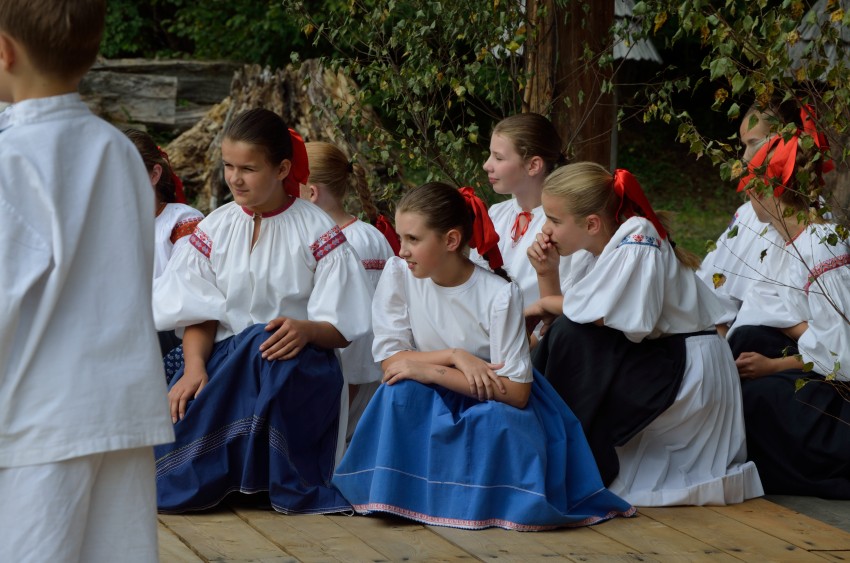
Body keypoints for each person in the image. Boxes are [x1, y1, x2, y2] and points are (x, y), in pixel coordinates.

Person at [332, 182, 635, 530]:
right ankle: (402, 494)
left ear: (451, 240)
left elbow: (517, 393)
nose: (402, 250)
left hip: (492, 395)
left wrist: (432, 371)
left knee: (494, 419)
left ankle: (475, 501)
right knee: (397, 390)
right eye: (401, 238)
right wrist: (454, 356)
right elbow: (392, 361)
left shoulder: (499, 294)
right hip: (437, 386)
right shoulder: (398, 273)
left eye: (413, 239)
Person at [0, 1, 174, 561]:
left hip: (39, 417)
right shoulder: (117, 149)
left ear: (4, 51)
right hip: (120, 407)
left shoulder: (12, 160)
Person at [152, 108, 374, 514]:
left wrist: (307, 330)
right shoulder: (215, 227)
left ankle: (257, 474)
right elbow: (198, 311)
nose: (235, 178)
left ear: (282, 168)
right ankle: (229, 474)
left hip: (298, 366)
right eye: (229, 166)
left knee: (262, 339)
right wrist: (194, 367)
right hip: (223, 364)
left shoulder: (317, 232)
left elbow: (343, 326)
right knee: (172, 449)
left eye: (248, 169)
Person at [527, 162, 763, 506]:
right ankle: (553, 450)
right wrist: (547, 273)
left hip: (687, 367)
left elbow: (611, 318)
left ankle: (563, 458)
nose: (546, 229)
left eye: (554, 220)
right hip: (658, 357)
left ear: (591, 223)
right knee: (569, 337)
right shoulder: (596, 248)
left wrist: (542, 304)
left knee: (574, 338)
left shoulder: (638, 236)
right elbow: (571, 315)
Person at [726, 106, 850, 497]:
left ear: (770, 190)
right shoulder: (784, 243)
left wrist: (773, 366)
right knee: (745, 357)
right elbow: (763, 307)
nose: (747, 194)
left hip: (840, 392)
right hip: (818, 365)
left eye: (752, 186)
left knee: (758, 400)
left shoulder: (820, 249)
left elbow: (843, 355)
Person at [302, 141, 395, 442]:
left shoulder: (348, 244)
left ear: (311, 193)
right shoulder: (367, 235)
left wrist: (342, 399)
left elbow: (359, 335)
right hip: (350, 380)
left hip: (347, 385)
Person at [476, 113, 573, 331]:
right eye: (490, 155)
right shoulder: (496, 214)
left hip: (537, 340)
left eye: (498, 158)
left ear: (533, 165)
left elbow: (570, 298)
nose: (486, 165)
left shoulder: (563, 226)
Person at [124, 128, 204, 355]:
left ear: (154, 175)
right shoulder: (106, 226)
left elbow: (181, 291)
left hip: (171, 335)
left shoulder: (182, 220)